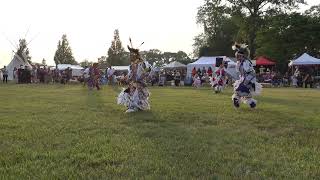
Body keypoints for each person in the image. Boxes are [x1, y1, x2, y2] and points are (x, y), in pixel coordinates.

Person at [117, 42, 152, 113]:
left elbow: (149, 70)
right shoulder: (132, 65)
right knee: (127, 92)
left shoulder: (142, 64)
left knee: (136, 93)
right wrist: (123, 78)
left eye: (131, 55)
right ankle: (133, 106)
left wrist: (144, 74)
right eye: (129, 55)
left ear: (135, 55)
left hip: (139, 83)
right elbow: (130, 74)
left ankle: (135, 107)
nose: (130, 56)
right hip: (133, 82)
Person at [231, 43, 262, 109]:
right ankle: (252, 104)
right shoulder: (239, 63)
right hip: (243, 79)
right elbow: (241, 73)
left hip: (249, 80)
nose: (238, 58)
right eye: (237, 56)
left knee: (240, 91)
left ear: (243, 56)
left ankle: (237, 101)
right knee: (245, 94)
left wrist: (246, 81)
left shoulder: (246, 62)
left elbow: (252, 73)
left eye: (240, 56)